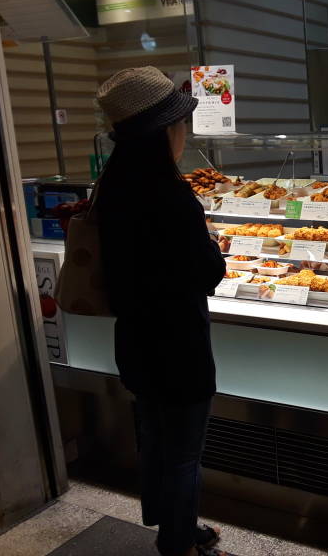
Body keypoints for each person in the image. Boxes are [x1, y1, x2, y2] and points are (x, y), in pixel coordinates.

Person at [94, 67, 227, 556]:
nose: (184, 133)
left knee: (155, 437)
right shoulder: (170, 194)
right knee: (184, 453)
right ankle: (177, 545)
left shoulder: (112, 185)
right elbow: (205, 272)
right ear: (163, 132)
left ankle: (173, 525)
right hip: (178, 344)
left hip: (135, 338)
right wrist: (212, 244)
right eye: (180, 124)